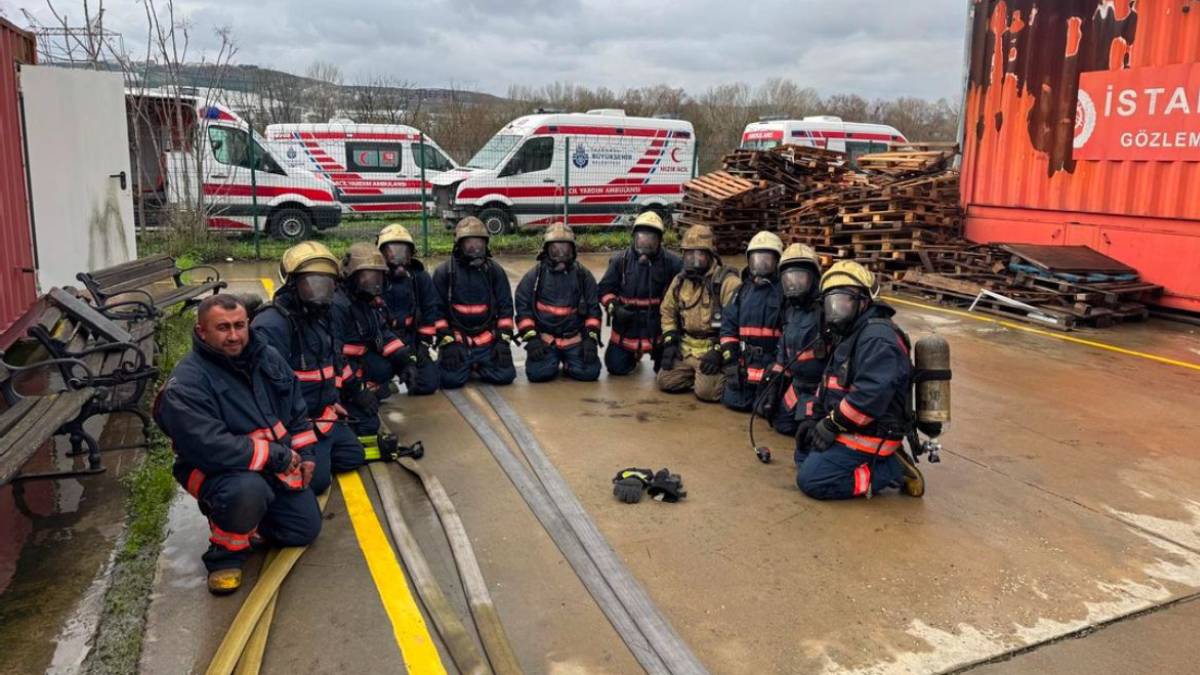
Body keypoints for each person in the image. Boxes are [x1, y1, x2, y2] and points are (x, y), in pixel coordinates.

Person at [154, 294, 321, 595]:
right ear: (202, 331)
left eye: (240, 325)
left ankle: (251, 518)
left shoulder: (267, 357)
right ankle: (225, 554)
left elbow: (296, 409)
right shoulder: (188, 382)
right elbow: (208, 447)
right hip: (216, 469)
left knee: (302, 530)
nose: (234, 336)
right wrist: (273, 455)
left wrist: (307, 453)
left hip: (270, 464)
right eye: (223, 328)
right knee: (246, 492)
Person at [795, 261, 925, 500]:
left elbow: (870, 396)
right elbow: (829, 383)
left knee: (811, 481)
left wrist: (832, 425)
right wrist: (813, 417)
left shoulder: (877, 339)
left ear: (864, 302)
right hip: (852, 425)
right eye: (831, 303)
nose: (836, 309)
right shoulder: (851, 332)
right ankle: (878, 463)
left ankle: (891, 470)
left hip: (873, 433)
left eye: (844, 301)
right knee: (802, 455)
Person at [252, 241, 365, 496]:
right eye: (312, 283)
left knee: (353, 456)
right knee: (317, 483)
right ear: (292, 284)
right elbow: (268, 394)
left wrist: (332, 400)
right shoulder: (272, 325)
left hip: (323, 413)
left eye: (327, 284)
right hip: (296, 423)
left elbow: (328, 365)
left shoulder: (321, 317)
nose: (321, 292)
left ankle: (322, 453)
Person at [655, 224, 741, 401]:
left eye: (699, 254)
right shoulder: (679, 281)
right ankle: (696, 375)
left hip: (712, 350)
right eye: (688, 254)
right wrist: (670, 341)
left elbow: (737, 323)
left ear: (711, 255)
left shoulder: (727, 282)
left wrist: (719, 351)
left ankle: (717, 377)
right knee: (665, 381)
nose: (693, 260)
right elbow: (667, 311)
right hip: (687, 350)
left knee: (706, 393)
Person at [333, 242, 408, 438]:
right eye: (366, 276)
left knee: (385, 367)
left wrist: (404, 359)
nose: (373, 283)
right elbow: (334, 359)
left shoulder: (364, 301)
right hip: (339, 378)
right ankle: (343, 405)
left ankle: (368, 392)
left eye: (377, 276)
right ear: (351, 276)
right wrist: (358, 392)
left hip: (356, 366)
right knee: (368, 426)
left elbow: (381, 331)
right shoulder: (337, 306)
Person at [432, 217, 517, 388]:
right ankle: (465, 364)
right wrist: (448, 344)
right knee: (449, 381)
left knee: (505, 375)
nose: (475, 249)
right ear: (458, 245)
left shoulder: (494, 271)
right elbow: (436, 311)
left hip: (487, 340)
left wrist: (502, 341)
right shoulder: (444, 272)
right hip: (457, 341)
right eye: (469, 244)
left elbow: (506, 309)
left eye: (479, 243)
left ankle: (478, 365)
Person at [514, 222, 603, 382]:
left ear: (573, 251)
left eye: (566, 250)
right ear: (546, 250)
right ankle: (553, 363)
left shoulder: (583, 276)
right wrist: (532, 339)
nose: (561, 255)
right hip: (546, 340)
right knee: (538, 374)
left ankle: (569, 363)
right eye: (555, 250)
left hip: (574, 339)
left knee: (590, 372)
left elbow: (593, 311)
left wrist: (590, 339)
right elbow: (523, 308)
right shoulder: (535, 276)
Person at [597, 211, 682, 375]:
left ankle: (657, 355)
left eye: (651, 240)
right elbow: (604, 290)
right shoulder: (620, 261)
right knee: (616, 368)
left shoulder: (673, 263)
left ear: (660, 241)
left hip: (658, 331)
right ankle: (632, 355)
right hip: (627, 330)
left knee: (666, 371)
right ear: (634, 238)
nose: (645, 244)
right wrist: (615, 308)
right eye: (641, 238)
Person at [377, 223, 447, 396]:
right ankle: (384, 379)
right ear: (381, 255)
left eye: (404, 253)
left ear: (411, 256)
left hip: (411, 342)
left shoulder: (420, 278)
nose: (399, 259)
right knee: (378, 390)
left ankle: (407, 373)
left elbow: (431, 311)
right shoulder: (374, 280)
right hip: (381, 346)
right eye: (392, 253)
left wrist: (423, 345)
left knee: (428, 385)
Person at [719, 231, 785, 412]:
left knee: (766, 410)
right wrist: (731, 362)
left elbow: (790, 335)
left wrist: (779, 368)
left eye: (766, 260)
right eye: (756, 259)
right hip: (745, 362)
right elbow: (728, 328)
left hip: (771, 364)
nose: (760, 265)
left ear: (777, 262)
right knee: (733, 402)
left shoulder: (784, 293)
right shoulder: (742, 292)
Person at [766, 243, 826, 437]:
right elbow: (784, 349)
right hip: (798, 384)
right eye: (789, 279)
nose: (793, 284)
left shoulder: (826, 312)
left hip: (819, 388)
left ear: (813, 278)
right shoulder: (791, 310)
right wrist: (774, 383)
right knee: (780, 424)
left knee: (807, 435)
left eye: (800, 277)